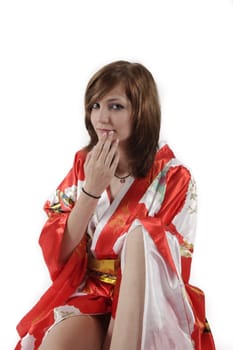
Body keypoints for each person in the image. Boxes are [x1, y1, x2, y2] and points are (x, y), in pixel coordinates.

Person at [15, 60, 215, 350]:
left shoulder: (173, 176)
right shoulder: (84, 165)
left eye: (116, 106)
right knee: (55, 344)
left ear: (141, 111)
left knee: (142, 235)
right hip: (94, 293)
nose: (101, 118)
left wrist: (140, 236)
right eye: (95, 106)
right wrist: (91, 191)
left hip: (149, 301)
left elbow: (171, 264)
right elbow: (59, 251)